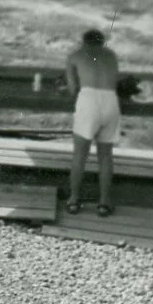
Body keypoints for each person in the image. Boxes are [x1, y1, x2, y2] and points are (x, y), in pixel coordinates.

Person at [65, 29, 120, 217]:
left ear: (83, 41)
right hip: (111, 101)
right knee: (105, 155)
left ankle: (74, 200)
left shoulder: (75, 55)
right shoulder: (111, 55)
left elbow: (73, 89)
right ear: (102, 42)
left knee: (80, 154)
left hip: (88, 99)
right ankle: (104, 203)